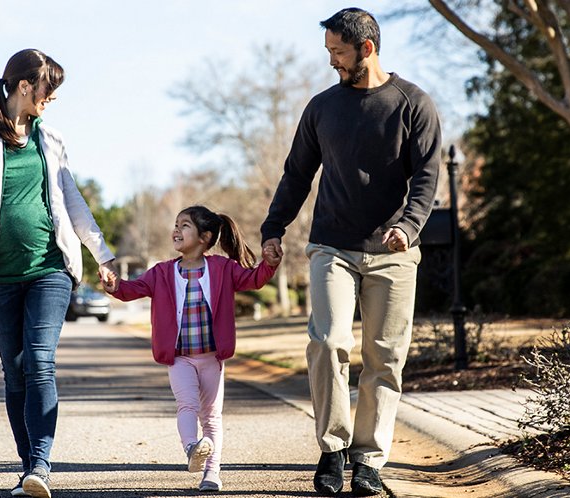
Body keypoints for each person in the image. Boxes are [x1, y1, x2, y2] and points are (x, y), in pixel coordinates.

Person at [259, 8, 443, 497]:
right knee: (327, 340)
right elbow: (297, 173)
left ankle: (368, 458)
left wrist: (408, 226)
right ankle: (332, 448)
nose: (332, 62)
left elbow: (427, 178)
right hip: (332, 246)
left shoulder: (413, 104)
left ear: (366, 48)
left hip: (394, 249)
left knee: (384, 356)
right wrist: (274, 227)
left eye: (338, 52)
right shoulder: (322, 108)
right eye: (329, 53)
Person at [0, 48, 117, 498]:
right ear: (25, 86)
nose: (51, 98)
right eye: (48, 89)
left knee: (40, 361)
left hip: (49, 267)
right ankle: (30, 470)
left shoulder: (51, 139)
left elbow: (72, 200)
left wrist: (101, 253)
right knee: (15, 368)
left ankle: (40, 463)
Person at [101, 206, 281, 492]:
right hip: (180, 358)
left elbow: (254, 279)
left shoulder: (222, 268)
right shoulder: (162, 272)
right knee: (186, 405)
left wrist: (269, 264)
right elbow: (132, 289)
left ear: (204, 237)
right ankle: (192, 449)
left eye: (184, 226)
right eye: (176, 224)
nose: (176, 230)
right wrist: (114, 286)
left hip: (212, 358)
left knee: (211, 417)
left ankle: (212, 473)